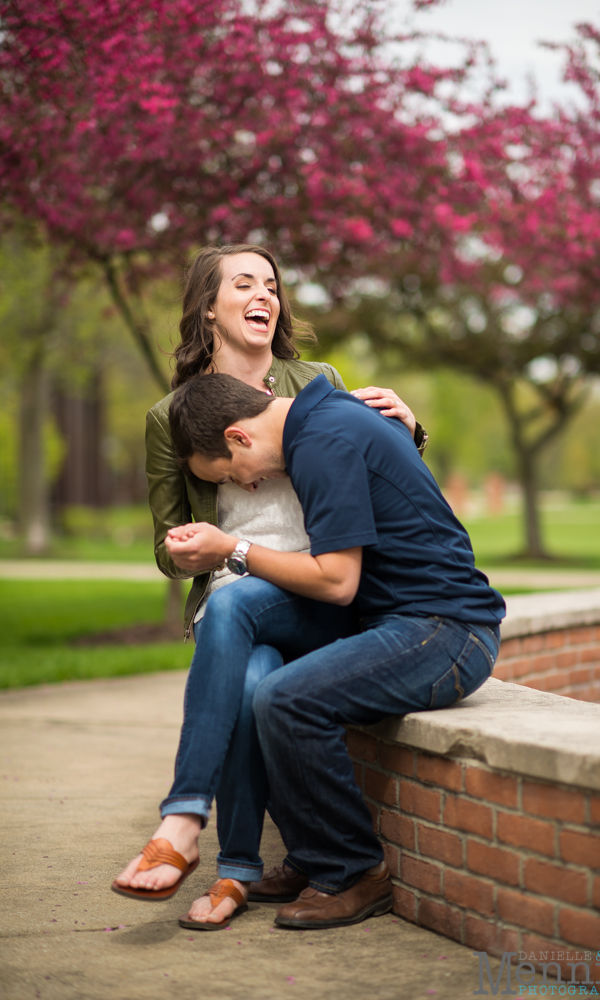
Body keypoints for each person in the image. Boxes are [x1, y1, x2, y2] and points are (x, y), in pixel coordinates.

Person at [112, 243, 427, 927]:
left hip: (318, 584)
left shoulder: (316, 378)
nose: (265, 294)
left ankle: (193, 831)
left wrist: (410, 429)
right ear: (208, 307)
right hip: (234, 584)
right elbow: (167, 542)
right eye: (244, 283)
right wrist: (184, 557)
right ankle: (236, 873)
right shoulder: (169, 417)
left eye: (272, 284)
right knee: (252, 682)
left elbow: (366, 471)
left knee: (254, 656)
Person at [147, 371, 506, 929]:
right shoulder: (323, 420)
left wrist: (234, 547)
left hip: (445, 630)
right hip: (384, 617)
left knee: (287, 700)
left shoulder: (322, 439)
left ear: (240, 438)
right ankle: (235, 830)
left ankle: (356, 871)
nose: (244, 487)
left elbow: (337, 580)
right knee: (237, 621)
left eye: (228, 475)